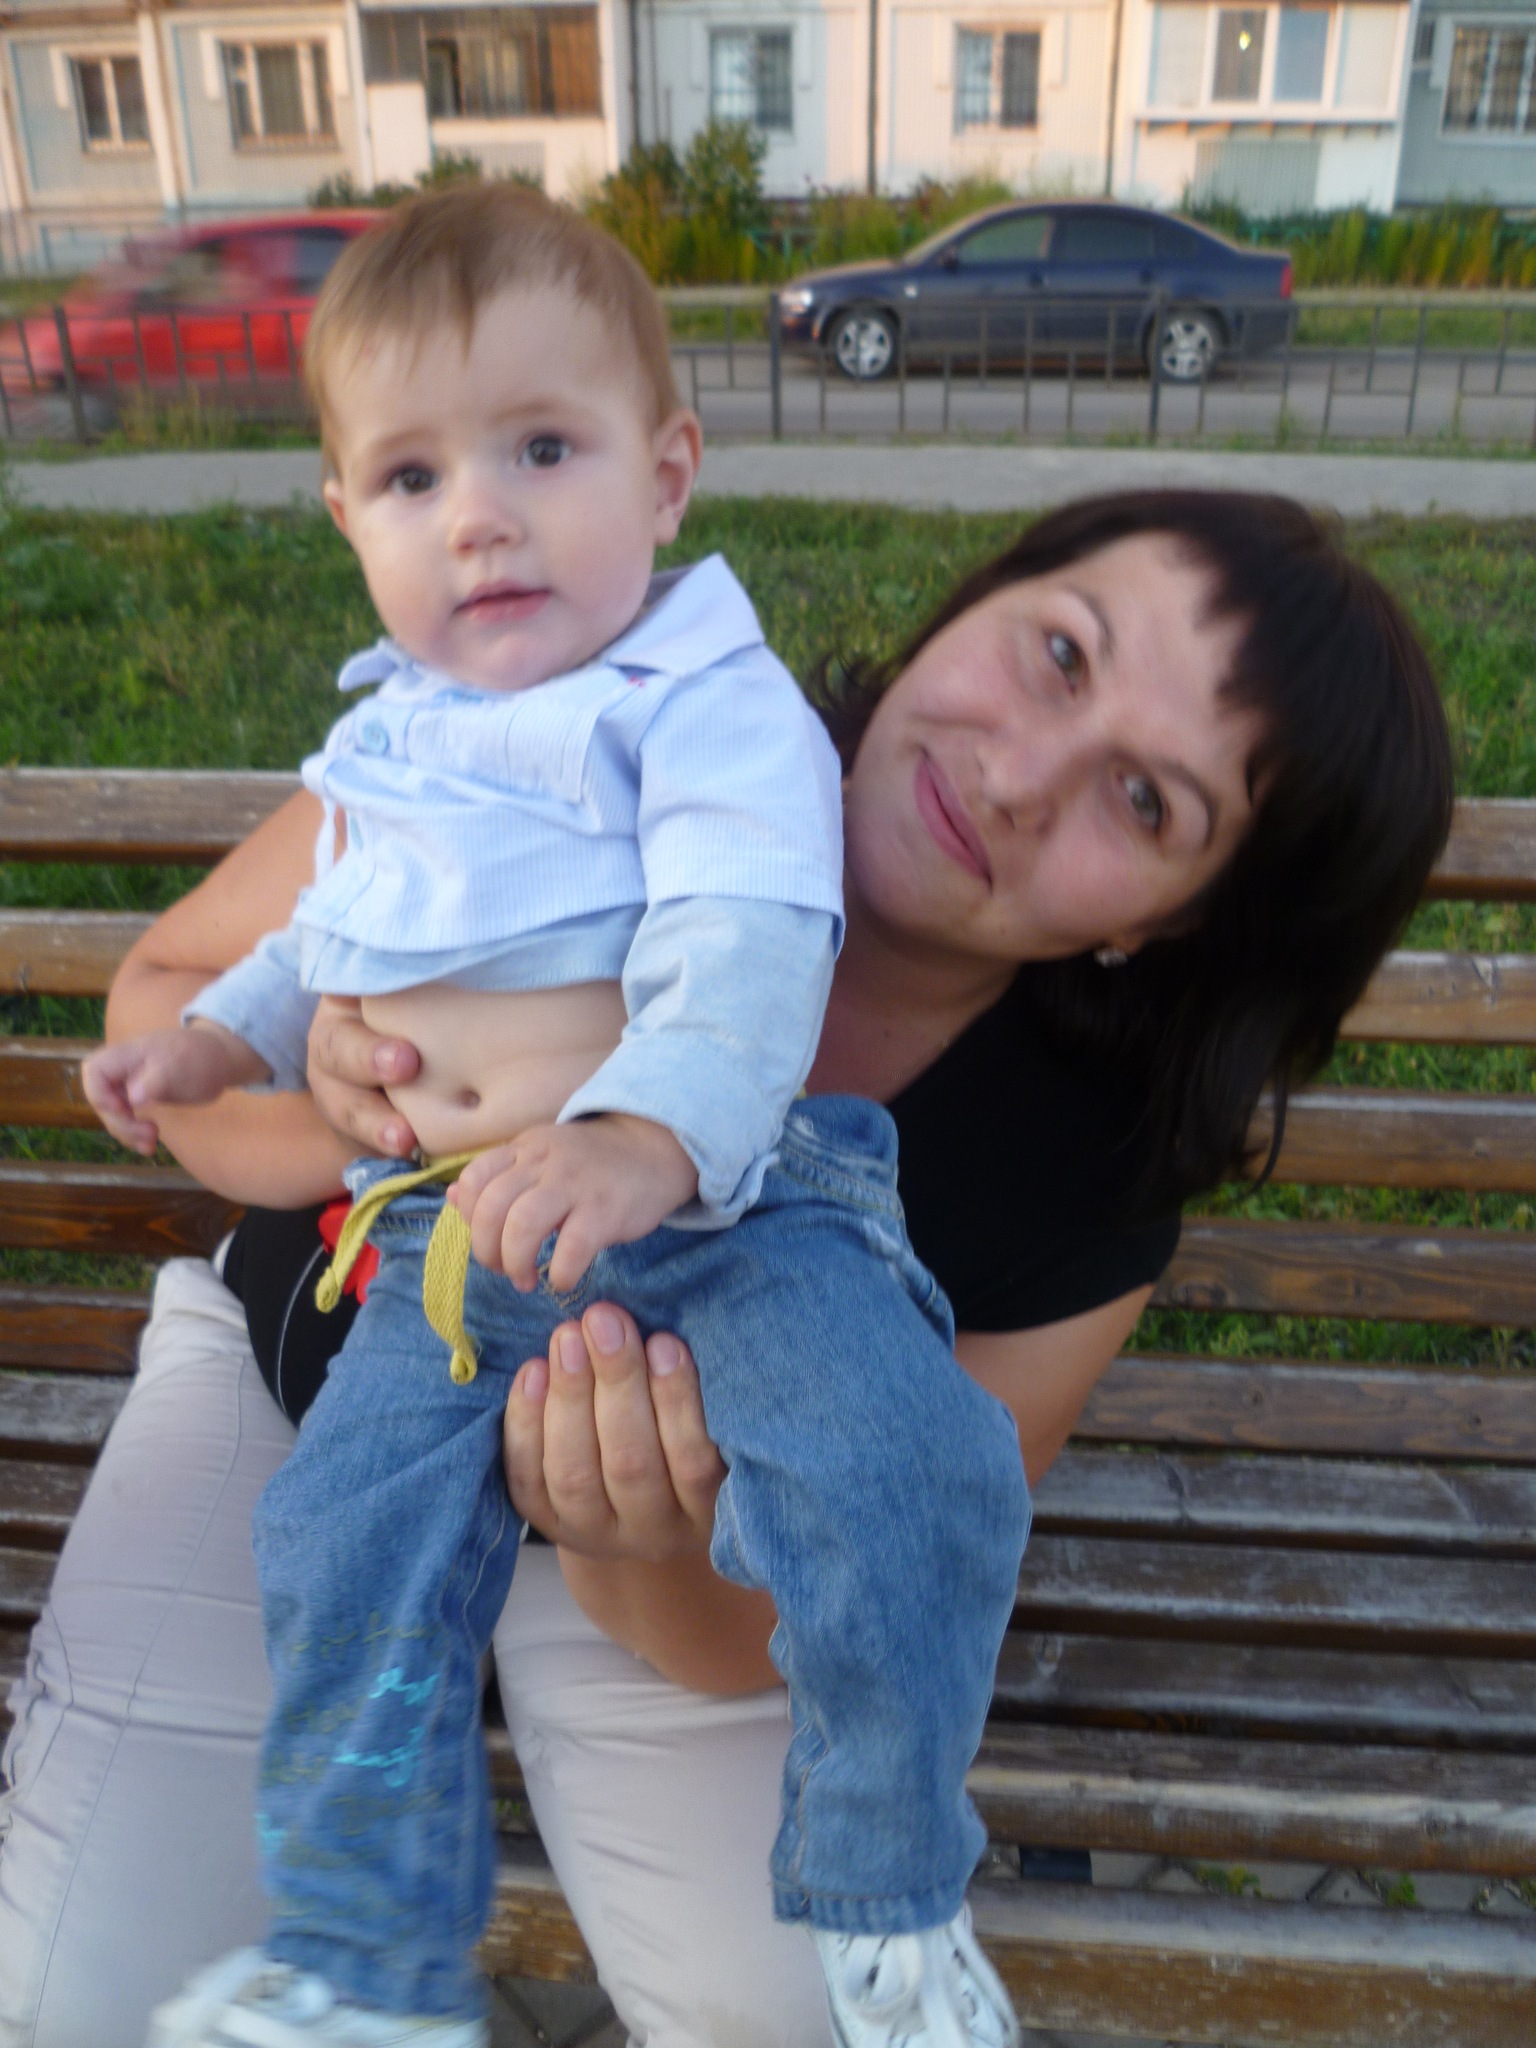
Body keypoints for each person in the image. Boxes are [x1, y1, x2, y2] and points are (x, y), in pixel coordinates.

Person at [0, 489, 1454, 2048]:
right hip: (298, 1398)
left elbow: (814, 1606)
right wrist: (347, 1113)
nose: (1022, 776)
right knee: (76, 1993)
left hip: (660, 1571)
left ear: (1173, 927)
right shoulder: (585, 711)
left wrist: (629, 1541)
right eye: (1059, 653)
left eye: (1148, 803)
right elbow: (164, 998)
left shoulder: (1089, 1162)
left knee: (792, 2022)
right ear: (981, 594)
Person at [83, 178, 1037, 2048]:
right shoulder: (393, 731)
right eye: (414, 475)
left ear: (666, 474)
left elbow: (749, 934)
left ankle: (892, 1895)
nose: (482, 514)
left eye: (541, 447)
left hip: (729, 1213)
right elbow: (324, 928)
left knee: (906, 1463)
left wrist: (642, 1139)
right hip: (463, 1241)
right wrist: (212, 1040)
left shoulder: (700, 695)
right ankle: (367, 1965)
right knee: (336, 1537)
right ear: (347, 518)